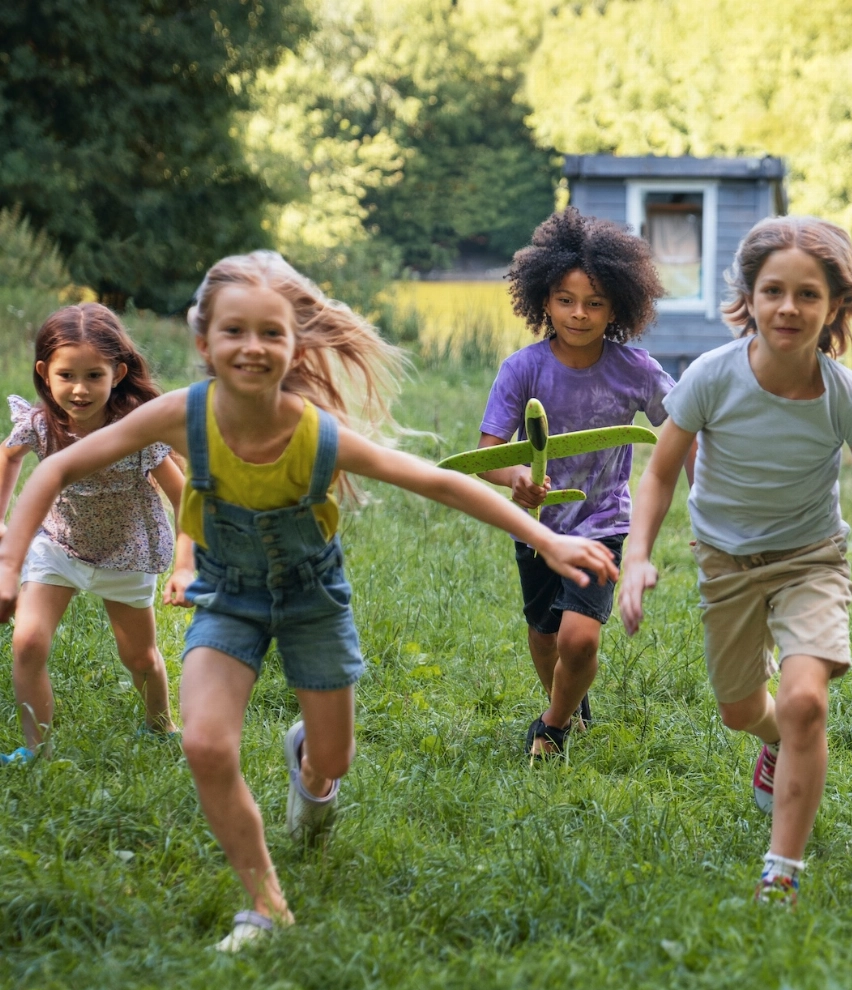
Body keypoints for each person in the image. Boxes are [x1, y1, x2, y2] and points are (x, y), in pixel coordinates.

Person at [0, 251, 618, 950]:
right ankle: (265, 904)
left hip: (311, 601)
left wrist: (549, 539)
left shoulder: (313, 431)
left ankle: (310, 765)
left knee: (336, 758)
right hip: (229, 597)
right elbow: (56, 467)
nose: (252, 347)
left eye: (271, 333)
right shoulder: (180, 414)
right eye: (234, 331)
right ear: (203, 342)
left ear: (293, 347)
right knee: (204, 743)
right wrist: (9, 562)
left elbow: (437, 482)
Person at [618, 216, 852, 908]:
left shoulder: (844, 394)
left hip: (812, 559)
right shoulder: (712, 378)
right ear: (747, 297)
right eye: (773, 290)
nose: (789, 307)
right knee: (741, 707)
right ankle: (774, 738)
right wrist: (636, 556)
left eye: (808, 294)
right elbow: (659, 473)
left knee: (807, 701)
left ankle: (781, 869)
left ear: (835, 304)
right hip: (726, 562)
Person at [475, 207, 675, 759]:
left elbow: (680, 428)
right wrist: (515, 476)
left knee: (578, 636)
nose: (579, 314)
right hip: (537, 525)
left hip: (603, 523)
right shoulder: (521, 369)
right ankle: (567, 703)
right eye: (565, 300)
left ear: (618, 307)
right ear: (543, 299)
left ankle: (552, 728)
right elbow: (487, 457)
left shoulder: (636, 369)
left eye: (594, 303)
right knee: (544, 635)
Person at [0, 303, 185, 761]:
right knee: (27, 640)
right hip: (58, 546)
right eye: (66, 375)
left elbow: (183, 496)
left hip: (126, 553)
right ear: (45, 372)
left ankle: (160, 726)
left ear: (118, 372)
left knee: (139, 658)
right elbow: (9, 458)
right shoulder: (41, 424)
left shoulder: (135, 431)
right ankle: (35, 749)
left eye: (94, 376)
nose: (79, 390)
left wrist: (190, 557)